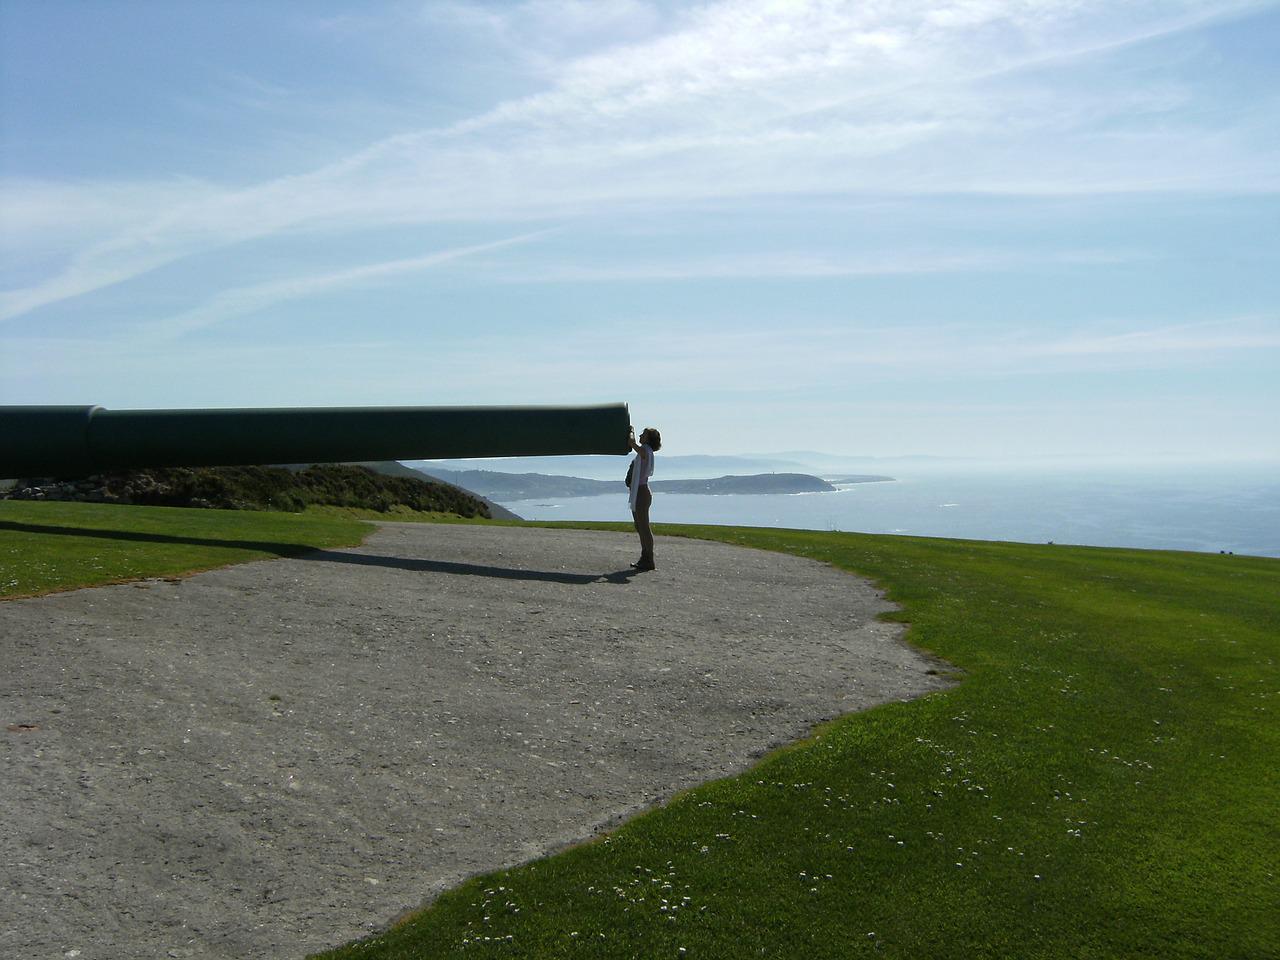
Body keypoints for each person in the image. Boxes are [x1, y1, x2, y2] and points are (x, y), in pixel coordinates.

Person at [627, 425, 661, 571]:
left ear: (649, 439)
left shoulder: (646, 450)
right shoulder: (646, 451)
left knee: (644, 527)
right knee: (639, 526)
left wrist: (631, 432)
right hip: (639, 492)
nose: (641, 435)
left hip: (642, 492)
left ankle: (648, 558)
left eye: (644, 434)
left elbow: (632, 443)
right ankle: (645, 556)